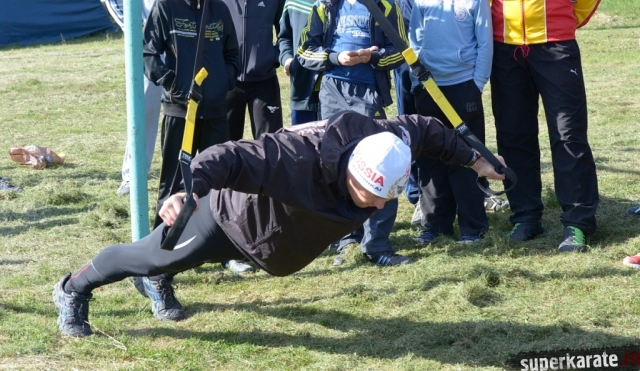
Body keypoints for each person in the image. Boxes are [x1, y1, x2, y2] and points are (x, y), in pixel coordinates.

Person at [52, 110, 506, 337]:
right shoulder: (293, 158)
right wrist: (188, 192)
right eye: (366, 194)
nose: (372, 205)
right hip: (228, 219)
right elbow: (228, 156)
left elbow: (428, 129)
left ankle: (162, 275)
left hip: (275, 239)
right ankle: (73, 288)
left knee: (172, 261)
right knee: (151, 256)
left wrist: (476, 159)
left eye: (381, 200)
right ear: (350, 169)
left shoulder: (387, 141)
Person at [471, 0, 605, 252]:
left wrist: (566, 18)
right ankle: (526, 216)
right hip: (506, 47)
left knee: (568, 134)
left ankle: (577, 223)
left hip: (557, 45)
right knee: (513, 134)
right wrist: (495, 13)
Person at [297, 0, 409, 266]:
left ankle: (378, 246)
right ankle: (346, 240)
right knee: (335, 163)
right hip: (332, 91)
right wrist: (336, 57)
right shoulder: (322, 7)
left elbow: (402, 50)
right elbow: (304, 52)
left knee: (378, 163)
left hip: (368, 93)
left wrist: (372, 57)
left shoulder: (384, 5)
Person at [104, 0, 225, 197]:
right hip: (157, 51)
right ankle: (134, 175)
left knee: (196, 116)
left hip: (195, 53)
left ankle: (203, 173)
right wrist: (136, 28)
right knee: (144, 111)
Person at [143, 0, 238, 229]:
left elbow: (232, 54)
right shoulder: (165, 7)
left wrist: (223, 83)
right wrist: (171, 84)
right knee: (173, 180)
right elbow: (148, 54)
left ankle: (216, 239)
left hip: (215, 110)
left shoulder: (219, 10)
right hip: (180, 111)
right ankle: (162, 241)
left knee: (218, 178)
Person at [409, 0, 492, 245]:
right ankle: (435, 224)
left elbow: (485, 44)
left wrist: (477, 84)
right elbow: (415, 37)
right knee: (431, 157)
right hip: (430, 88)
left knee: (468, 157)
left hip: (463, 88)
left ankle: (473, 227)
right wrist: (418, 80)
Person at [377, 0, 433, 224]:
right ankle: (417, 195)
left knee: (455, 116)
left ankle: (473, 188)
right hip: (406, 48)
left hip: (447, 43)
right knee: (410, 121)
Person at [211, 0, 287, 141]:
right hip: (226, 81)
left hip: (264, 81)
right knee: (225, 146)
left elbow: (285, 33)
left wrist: (272, 56)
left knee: (270, 144)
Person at [277, 0, 335, 125]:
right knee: (303, 141)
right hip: (303, 91)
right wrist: (287, 59)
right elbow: (284, 37)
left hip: (338, 91)